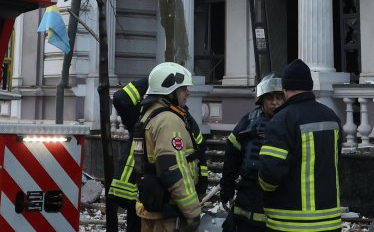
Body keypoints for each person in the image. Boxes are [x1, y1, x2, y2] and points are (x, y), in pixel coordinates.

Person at [111, 75, 208, 232]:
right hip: (141, 192)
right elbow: (121, 98)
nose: (188, 92)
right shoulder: (155, 115)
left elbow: (199, 153)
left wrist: (201, 186)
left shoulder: (181, 117)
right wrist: (157, 77)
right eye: (183, 88)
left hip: (159, 196)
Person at [257, 59, 342, 232]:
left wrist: (263, 186)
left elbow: (270, 174)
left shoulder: (281, 120)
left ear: (285, 89)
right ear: (309, 86)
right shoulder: (331, 116)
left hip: (290, 222)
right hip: (330, 221)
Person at [135, 62, 202, 232]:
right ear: (170, 91)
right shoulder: (168, 120)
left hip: (152, 208)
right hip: (167, 215)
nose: (188, 92)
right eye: (183, 88)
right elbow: (173, 169)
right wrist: (192, 211)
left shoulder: (150, 114)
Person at [220, 73, 285, 230]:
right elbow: (231, 158)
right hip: (248, 194)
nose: (275, 102)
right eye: (270, 98)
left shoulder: (291, 123)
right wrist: (227, 188)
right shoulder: (247, 123)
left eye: (279, 97)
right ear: (261, 100)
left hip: (278, 194)